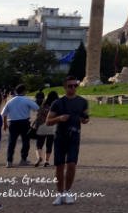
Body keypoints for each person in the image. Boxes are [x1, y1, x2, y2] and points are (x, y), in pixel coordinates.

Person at [46, 76, 90, 205]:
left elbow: (86, 119)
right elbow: (48, 121)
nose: (73, 88)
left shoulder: (82, 101)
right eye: (70, 86)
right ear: (64, 87)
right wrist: (59, 118)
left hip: (74, 136)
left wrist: (85, 120)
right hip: (60, 136)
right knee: (59, 166)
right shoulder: (57, 103)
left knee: (71, 164)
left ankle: (68, 191)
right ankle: (60, 194)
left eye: (75, 85)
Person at [0, 83, 39, 168]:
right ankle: (23, 159)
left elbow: (4, 113)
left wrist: (5, 123)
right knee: (25, 141)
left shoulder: (10, 101)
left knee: (11, 142)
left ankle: (9, 161)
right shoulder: (26, 100)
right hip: (24, 123)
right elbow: (37, 108)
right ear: (24, 91)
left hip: (13, 123)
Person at [33, 90, 58, 167]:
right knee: (49, 144)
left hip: (42, 127)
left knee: (39, 144)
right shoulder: (57, 105)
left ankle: (39, 157)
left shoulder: (43, 104)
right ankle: (46, 161)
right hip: (51, 126)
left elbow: (38, 116)